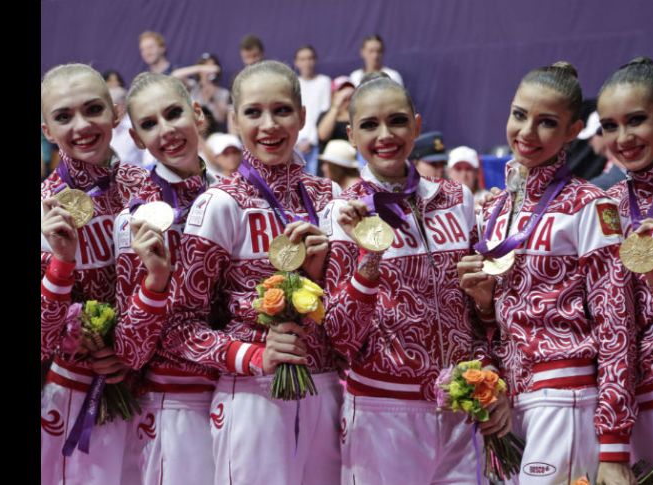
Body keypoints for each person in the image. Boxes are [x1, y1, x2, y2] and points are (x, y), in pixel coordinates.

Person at [456, 62, 638, 485]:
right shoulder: (495, 209)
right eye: (519, 115)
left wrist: (614, 442)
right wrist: (484, 307)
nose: (526, 132)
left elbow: (616, 324)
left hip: (566, 397)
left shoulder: (590, 206)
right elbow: (495, 323)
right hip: (509, 403)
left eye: (547, 123)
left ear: (572, 130)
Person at [165, 60, 343, 485]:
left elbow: (349, 312)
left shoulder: (329, 195)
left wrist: (321, 279)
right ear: (234, 118)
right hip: (252, 396)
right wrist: (256, 357)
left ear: (303, 116)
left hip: (326, 388)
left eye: (282, 110)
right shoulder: (219, 204)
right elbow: (178, 328)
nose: (269, 125)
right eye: (254, 112)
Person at [323, 75, 498, 484]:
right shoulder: (343, 213)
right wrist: (370, 257)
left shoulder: (457, 199)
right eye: (369, 125)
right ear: (351, 135)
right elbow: (339, 336)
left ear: (417, 126)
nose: (385, 135)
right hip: (383, 414)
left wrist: (489, 369)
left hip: (461, 407)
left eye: (397, 121)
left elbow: (480, 314)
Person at [112, 72, 222, 485]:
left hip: (245, 396)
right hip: (173, 409)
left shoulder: (239, 198)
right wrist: (156, 282)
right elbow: (129, 353)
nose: (166, 131)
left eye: (174, 113)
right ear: (138, 140)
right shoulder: (135, 222)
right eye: (149, 124)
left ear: (197, 113)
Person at [40, 63, 147, 485]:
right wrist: (62, 264)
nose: (82, 126)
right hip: (69, 393)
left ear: (116, 113)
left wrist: (131, 347)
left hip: (144, 386)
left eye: (93, 109)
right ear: (47, 130)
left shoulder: (149, 190)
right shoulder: (44, 209)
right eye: (64, 117)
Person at [599, 56, 653, 484]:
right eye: (610, 126)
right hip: (617, 416)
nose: (624, 138)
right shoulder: (602, 208)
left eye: (636, 120)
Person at [294, 44, 331, 175]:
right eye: (302, 59)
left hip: (316, 144)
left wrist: (312, 140)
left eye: (310, 58)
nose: (307, 63)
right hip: (295, 144)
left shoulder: (324, 82)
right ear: (296, 62)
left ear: (315, 60)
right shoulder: (293, 83)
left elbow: (324, 112)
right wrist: (297, 141)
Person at [171, 53, 231, 128]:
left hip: (213, 132)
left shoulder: (223, 93)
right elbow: (175, 76)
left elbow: (220, 119)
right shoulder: (193, 86)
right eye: (205, 67)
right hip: (193, 127)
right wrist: (200, 68)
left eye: (211, 67)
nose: (208, 71)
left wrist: (213, 98)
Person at [317, 76, 355, 157]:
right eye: (341, 90)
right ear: (333, 95)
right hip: (328, 166)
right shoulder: (325, 115)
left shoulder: (357, 115)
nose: (346, 94)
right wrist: (336, 106)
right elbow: (323, 136)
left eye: (350, 91)